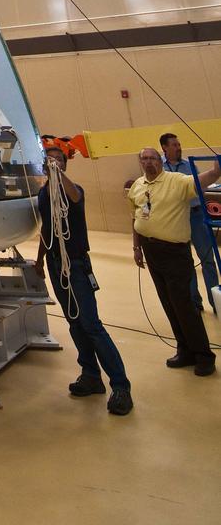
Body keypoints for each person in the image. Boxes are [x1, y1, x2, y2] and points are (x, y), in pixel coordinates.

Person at [35, 143, 133, 415]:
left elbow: (75, 197)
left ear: (65, 165)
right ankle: (90, 375)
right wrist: (40, 259)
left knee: (91, 324)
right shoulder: (44, 194)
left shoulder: (73, 190)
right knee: (74, 322)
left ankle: (121, 386)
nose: (53, 163)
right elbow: (47, 226)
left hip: (76, 264)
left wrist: (58, 175)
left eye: (58, 160)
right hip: (57, 264)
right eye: (49, 161)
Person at [129, 147, 221, 375]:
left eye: (152, 158)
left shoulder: (176, 181)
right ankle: (185, 351)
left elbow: (202, 180)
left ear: (159, 161)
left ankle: (204, 356)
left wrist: (216, 170)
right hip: (150, 250)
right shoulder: (138, 186)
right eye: (144, 158)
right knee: (168, 304)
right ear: (140, 162)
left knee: (184, 306)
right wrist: (137, 247)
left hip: (175, 253)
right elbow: (136, 217)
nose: (149, 162)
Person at [159, 132, 219, 312]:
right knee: (186, 263)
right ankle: (195, 302)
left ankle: (215, 301)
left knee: (208, 260)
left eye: (179, 144)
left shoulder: (188, 165)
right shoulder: (159, 168)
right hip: (176, 218)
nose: (178, 147)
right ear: (165, 148)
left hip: (196, 215)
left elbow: (203, 185)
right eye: (174, 145)